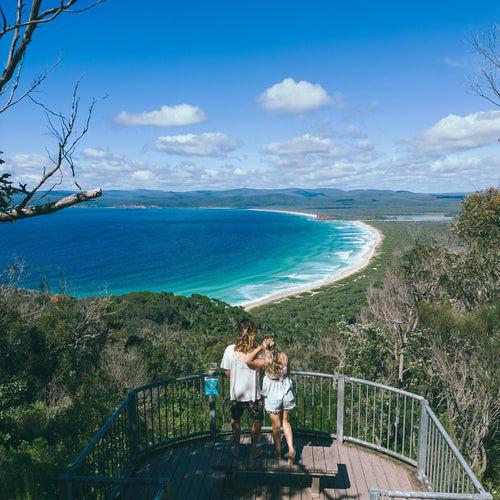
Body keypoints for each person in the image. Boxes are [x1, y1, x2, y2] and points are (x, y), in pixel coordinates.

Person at [245, 335, 296, 465]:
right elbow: (288, 374)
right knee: (285, 421)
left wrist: (259, 348)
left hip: (273, 395)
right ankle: (291, 448)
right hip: (286, 392)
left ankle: (278, 453)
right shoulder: (284, 357)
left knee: (276, 426)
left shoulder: (264, 361)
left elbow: (248, 360)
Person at [220, 319, 264, 459]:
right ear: (253, 333)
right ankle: (253, 451)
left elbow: (227, 372)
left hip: (236, 393)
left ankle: (237, 449)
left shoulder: (229, 350)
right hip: (253, 393)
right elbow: (262, 372)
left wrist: (237, 379)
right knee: (257, 420)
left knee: (235, 419)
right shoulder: (258, 350)